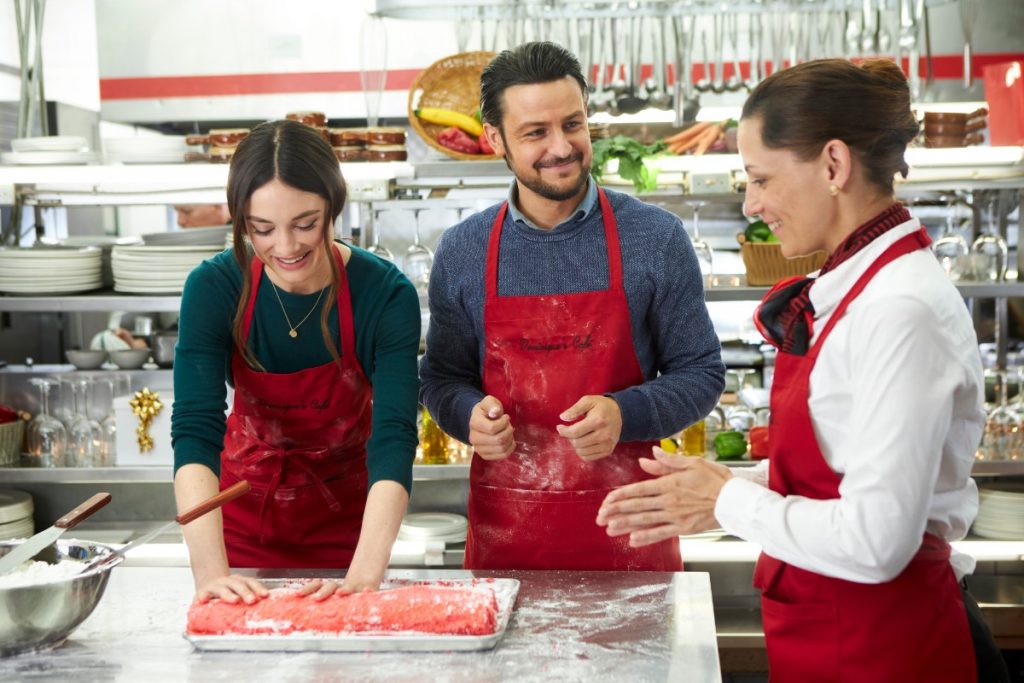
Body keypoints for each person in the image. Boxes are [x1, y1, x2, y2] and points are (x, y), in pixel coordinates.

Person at [598, 58, 1009, 682]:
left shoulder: (899, 307)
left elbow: (876, 543)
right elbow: (843, 461)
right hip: (841, 635)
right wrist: (725, 490)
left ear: (835, 165)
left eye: (760, 177)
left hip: (892, 648)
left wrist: (729, 499)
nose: (751, 202)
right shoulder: (857, 286)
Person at [418, 42, 725, 572]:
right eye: (535, 132)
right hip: (509, 539)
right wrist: (466, 415)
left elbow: (701, 373)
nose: (561, 147)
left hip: (633, 530)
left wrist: (623, 413)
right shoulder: (463, 249)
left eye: (573, 124)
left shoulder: (655, 237)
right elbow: (441, 378)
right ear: (496, 140)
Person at [171, 120, 421, 604]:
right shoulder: (213, 288)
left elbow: (394, 437)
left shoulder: (384, 294)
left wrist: (363, 577)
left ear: (334, 206)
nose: (285, 248)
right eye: (261, 229)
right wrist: (210, 576)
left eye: (306, 224)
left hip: (350, 539)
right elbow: (195, 429)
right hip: (239, 532)